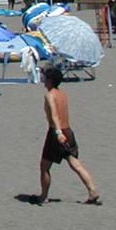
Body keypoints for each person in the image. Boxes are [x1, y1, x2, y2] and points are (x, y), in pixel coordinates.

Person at [38, 65, 100, 205]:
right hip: (68, 131)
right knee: (75, 163)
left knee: (44, 166)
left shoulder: (50, 95)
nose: (42, 79)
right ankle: (92, 190)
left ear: (50, 80)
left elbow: (54, 115)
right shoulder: (62, 94)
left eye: (45, 77)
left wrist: (58, 133)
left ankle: (43, 196)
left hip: (56, 132)